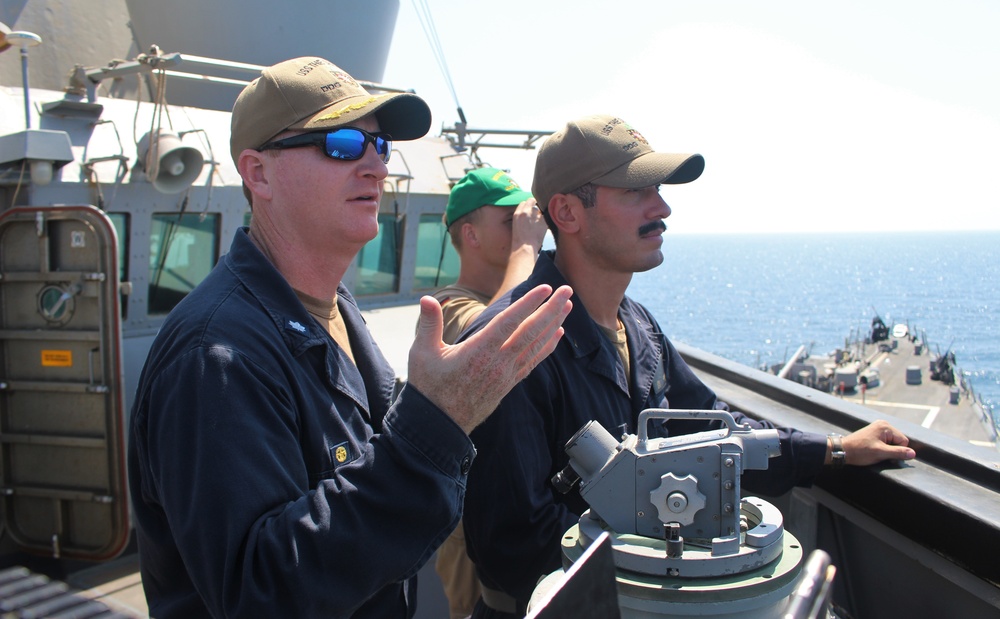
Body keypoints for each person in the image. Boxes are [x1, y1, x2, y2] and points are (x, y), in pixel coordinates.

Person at [126, 56, 573, 619]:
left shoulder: (336, 311)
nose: (375, 167)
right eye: (341, 144)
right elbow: (258, 595)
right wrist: (435, 424)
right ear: (258, 173)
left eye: (379, 146)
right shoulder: (216, 356)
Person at [459, 114, 917, 618]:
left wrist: (832, 450)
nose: (663, 208)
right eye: (635, 191)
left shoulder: (637, 327)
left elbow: (714, 430)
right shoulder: (510, 345)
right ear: (567, 213)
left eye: (657, 188)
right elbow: (515, 544)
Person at [431, 167, 547, 619]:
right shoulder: (448, 306)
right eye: (509, 221)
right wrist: (526, 248)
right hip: (471, 533)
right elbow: (499, 338)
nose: (524, 225)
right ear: (470, 235)